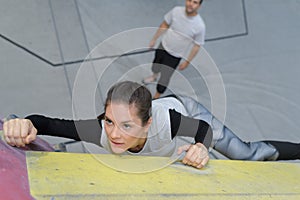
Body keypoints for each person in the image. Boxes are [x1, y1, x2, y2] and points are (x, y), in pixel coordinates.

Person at [3, 81, 300, 170]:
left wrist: (199, 148)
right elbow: (49, 124)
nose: (115, 134)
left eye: (127, 126)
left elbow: (203, 131)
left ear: (147, 126)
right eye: (109, 121)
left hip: (188, 112)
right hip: (158, 119)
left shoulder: (168, 123)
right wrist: (25, 123)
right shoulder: (101, 130)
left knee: (247, 155)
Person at [142, 0, 206, 99]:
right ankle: (154, 76)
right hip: (163, 45)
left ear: (199, 5)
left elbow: (197, 46)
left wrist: (187, 62)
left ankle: (157, 96)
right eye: (189, 0)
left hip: (175, 56)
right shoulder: (176, 11)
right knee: (155, 65)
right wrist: (154, 39)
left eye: (195, 2)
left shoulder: (200, 26)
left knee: (165, 77)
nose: (191, 4)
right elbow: (165, 24)